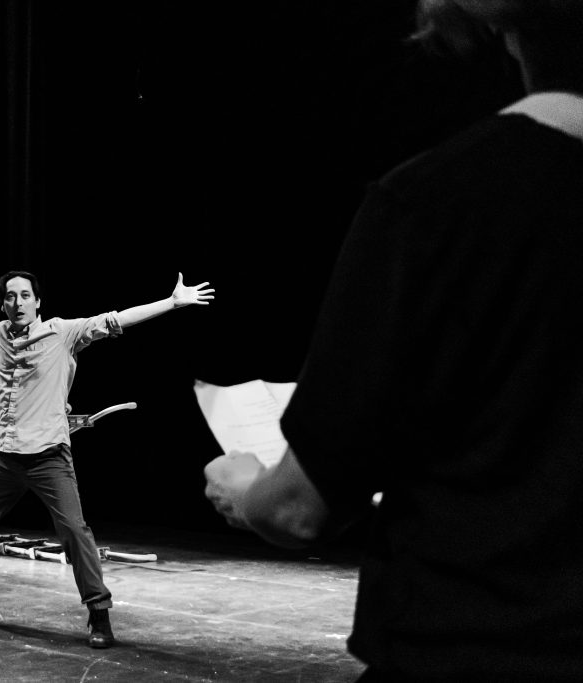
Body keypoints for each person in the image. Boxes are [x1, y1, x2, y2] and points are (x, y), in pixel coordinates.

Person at [203, 1, 583, 680]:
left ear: (503, 24)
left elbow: (298, 508)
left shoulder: (439, 205)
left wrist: (248, 486)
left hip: (476, 652)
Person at [0, 269, 214, 648]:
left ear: (38, 301)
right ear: (3, 304)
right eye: (11, 297)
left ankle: (99, 613)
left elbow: (115, 319)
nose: (18, 303)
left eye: (25, 295)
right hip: (8, 458)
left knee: (75, 534)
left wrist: (171, 302)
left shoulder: (63, 333)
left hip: (49, 456)